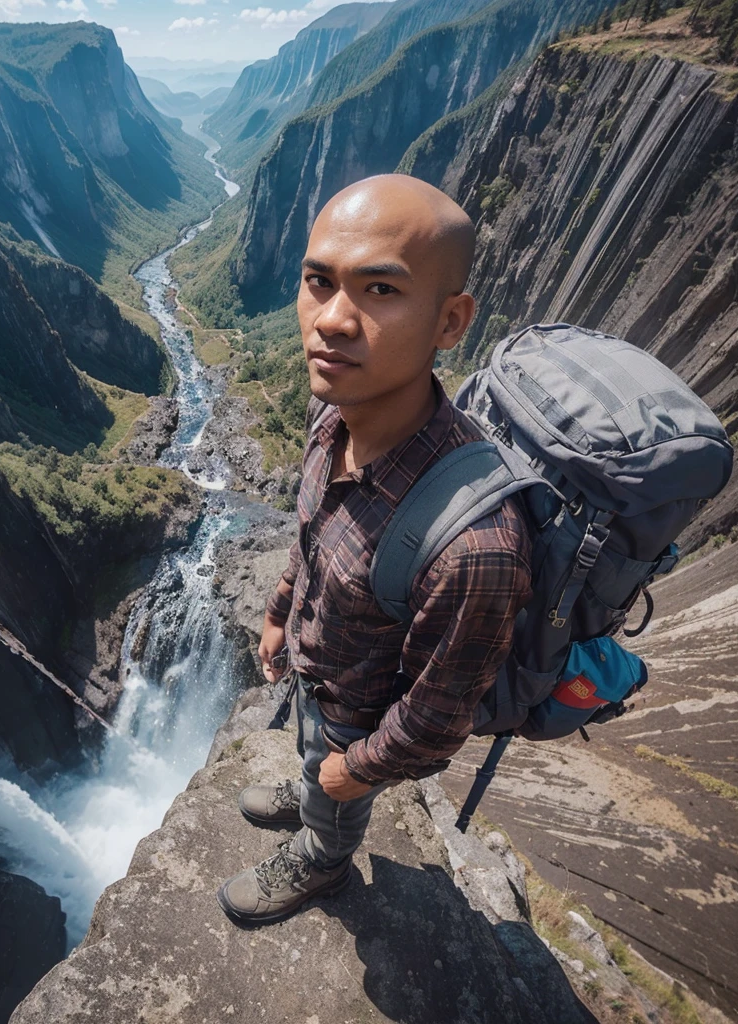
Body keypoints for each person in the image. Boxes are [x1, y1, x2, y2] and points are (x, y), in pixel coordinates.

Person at [216, 174, 533, 924]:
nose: (332, 320)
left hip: (362, 719)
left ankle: (323, 861)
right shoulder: (335, 415)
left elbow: (435, 717)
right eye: (318, 282)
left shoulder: (476, 548)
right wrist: (280, 610)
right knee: (309, 760)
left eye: (380, 291)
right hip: (319, 673)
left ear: (450, 322)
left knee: (330, 793)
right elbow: (314, 529)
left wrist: (350, 773)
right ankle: (307, 792)